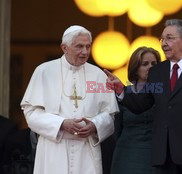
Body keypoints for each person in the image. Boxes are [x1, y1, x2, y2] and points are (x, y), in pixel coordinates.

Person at [106, 19, 182, 174]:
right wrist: (121, 89)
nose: (163, 43)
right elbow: (142, 104)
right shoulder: (157, 71)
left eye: (169, 38)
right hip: (165, 155)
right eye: (162, 39)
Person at [20, 25, 119, 174]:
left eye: (88, 46)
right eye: (79, 46)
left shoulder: (98, 75)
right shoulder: (44, 72)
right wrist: (61, 124)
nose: (85, 52)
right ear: (64, 47)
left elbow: (110, 115)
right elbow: (31, 113)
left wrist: (95, 125)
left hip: (86, 151)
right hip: (53, 149)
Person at [107, 46, 161, 174]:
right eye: (145, 64)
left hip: (155, 155)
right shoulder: (123, 93)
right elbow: (115, 129)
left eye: (154, 63)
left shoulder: (163, 92)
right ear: (136, 68)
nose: (150, 67)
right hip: (126, 153)